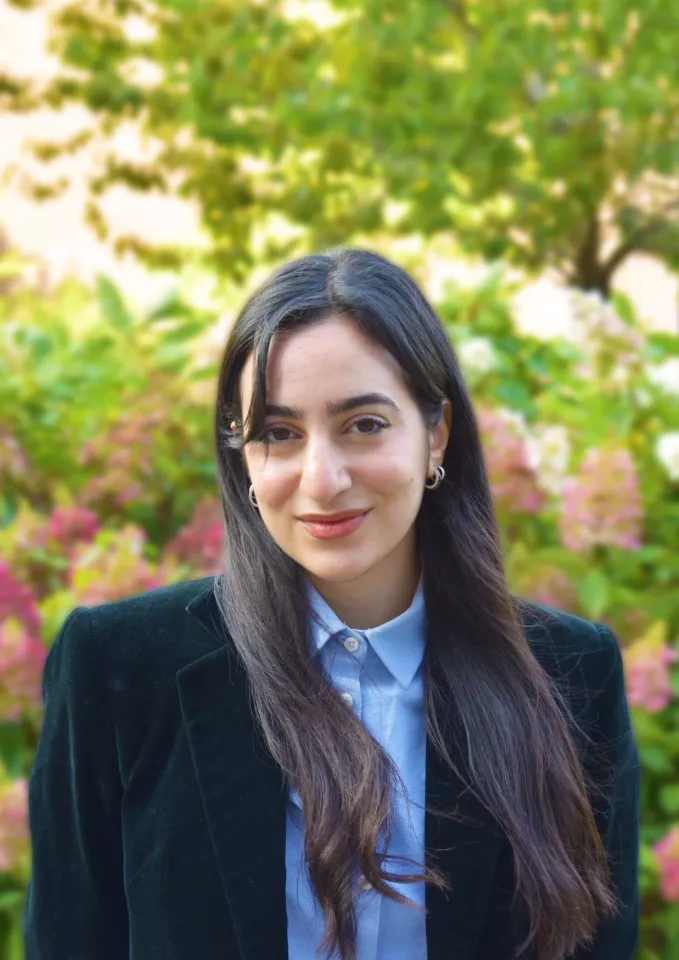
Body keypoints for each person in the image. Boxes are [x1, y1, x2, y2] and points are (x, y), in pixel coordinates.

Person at [24, 248, 640, 960]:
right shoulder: (118, 666)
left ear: (434, 431)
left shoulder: (573, 673)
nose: (321, 479)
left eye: (364, 424)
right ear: (244, 458)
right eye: (278, 434)